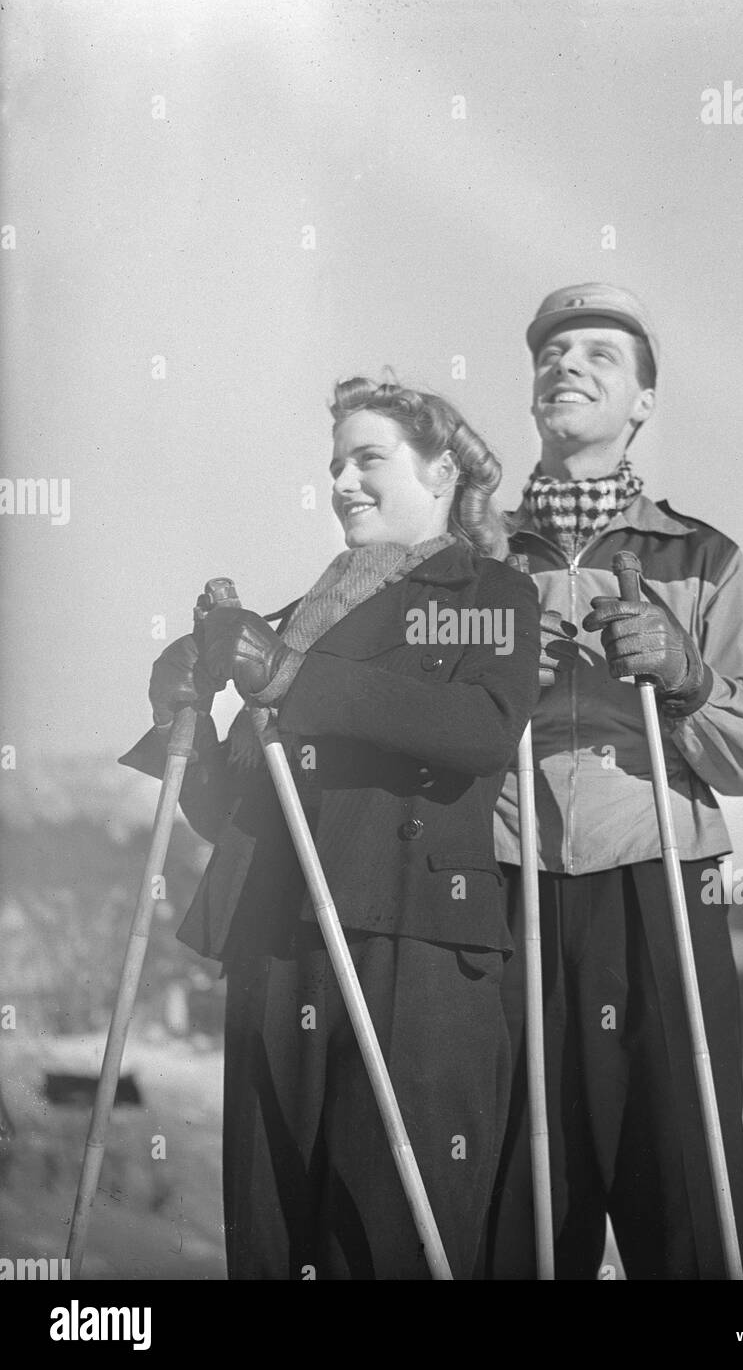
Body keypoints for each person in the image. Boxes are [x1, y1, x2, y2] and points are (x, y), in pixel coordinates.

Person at [119, 377, 541, 1280]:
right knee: (273, 1237)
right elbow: (234, 814)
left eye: (369, 459)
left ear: (438, 471)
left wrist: (287, 676)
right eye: (336, 465)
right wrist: (182, 719)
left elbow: (478, 728)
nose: (345, 481)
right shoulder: (308, 613)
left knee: (388, 1239)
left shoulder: (487, 591)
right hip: (277, 949)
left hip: (411, 950)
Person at [485, 283, 743, 1280]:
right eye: (553, 351)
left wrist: (687, 675)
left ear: (642, 404)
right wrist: (487, 674)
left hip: (657, 892)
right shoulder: (472, 558)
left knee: (686, 1187)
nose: (567, 364)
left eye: (599, 355)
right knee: (520, 1199)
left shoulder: (701, 555)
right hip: (506, 888)